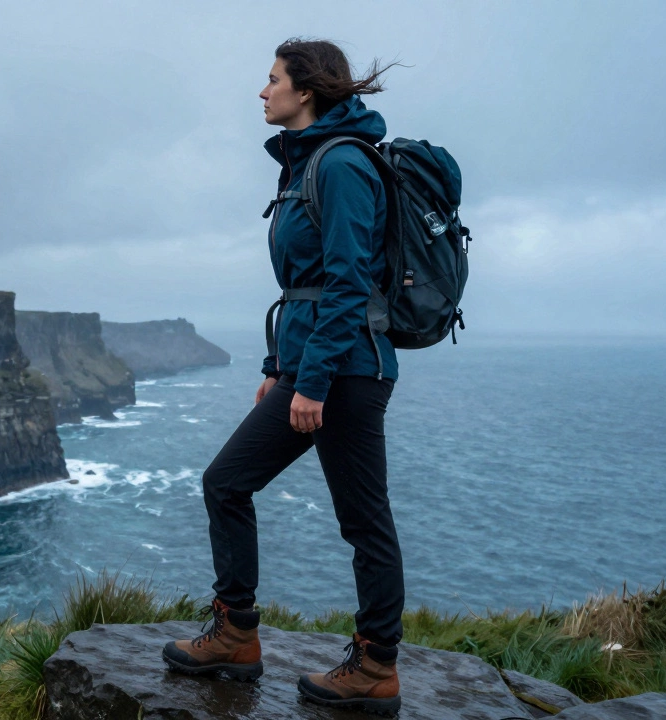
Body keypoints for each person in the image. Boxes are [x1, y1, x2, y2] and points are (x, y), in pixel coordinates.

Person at [161, 38, 404, 715]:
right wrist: (279, 369)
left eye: (272, 80)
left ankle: (378, 666)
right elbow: (303, 284)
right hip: (312, 364)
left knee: (364, 521)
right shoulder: (302, 166)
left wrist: (314, 381)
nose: (261, 91)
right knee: (226, 480)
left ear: (307, 91)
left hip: (349, 370)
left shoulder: (344, 164)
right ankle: (237, 634)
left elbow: (348, 284)